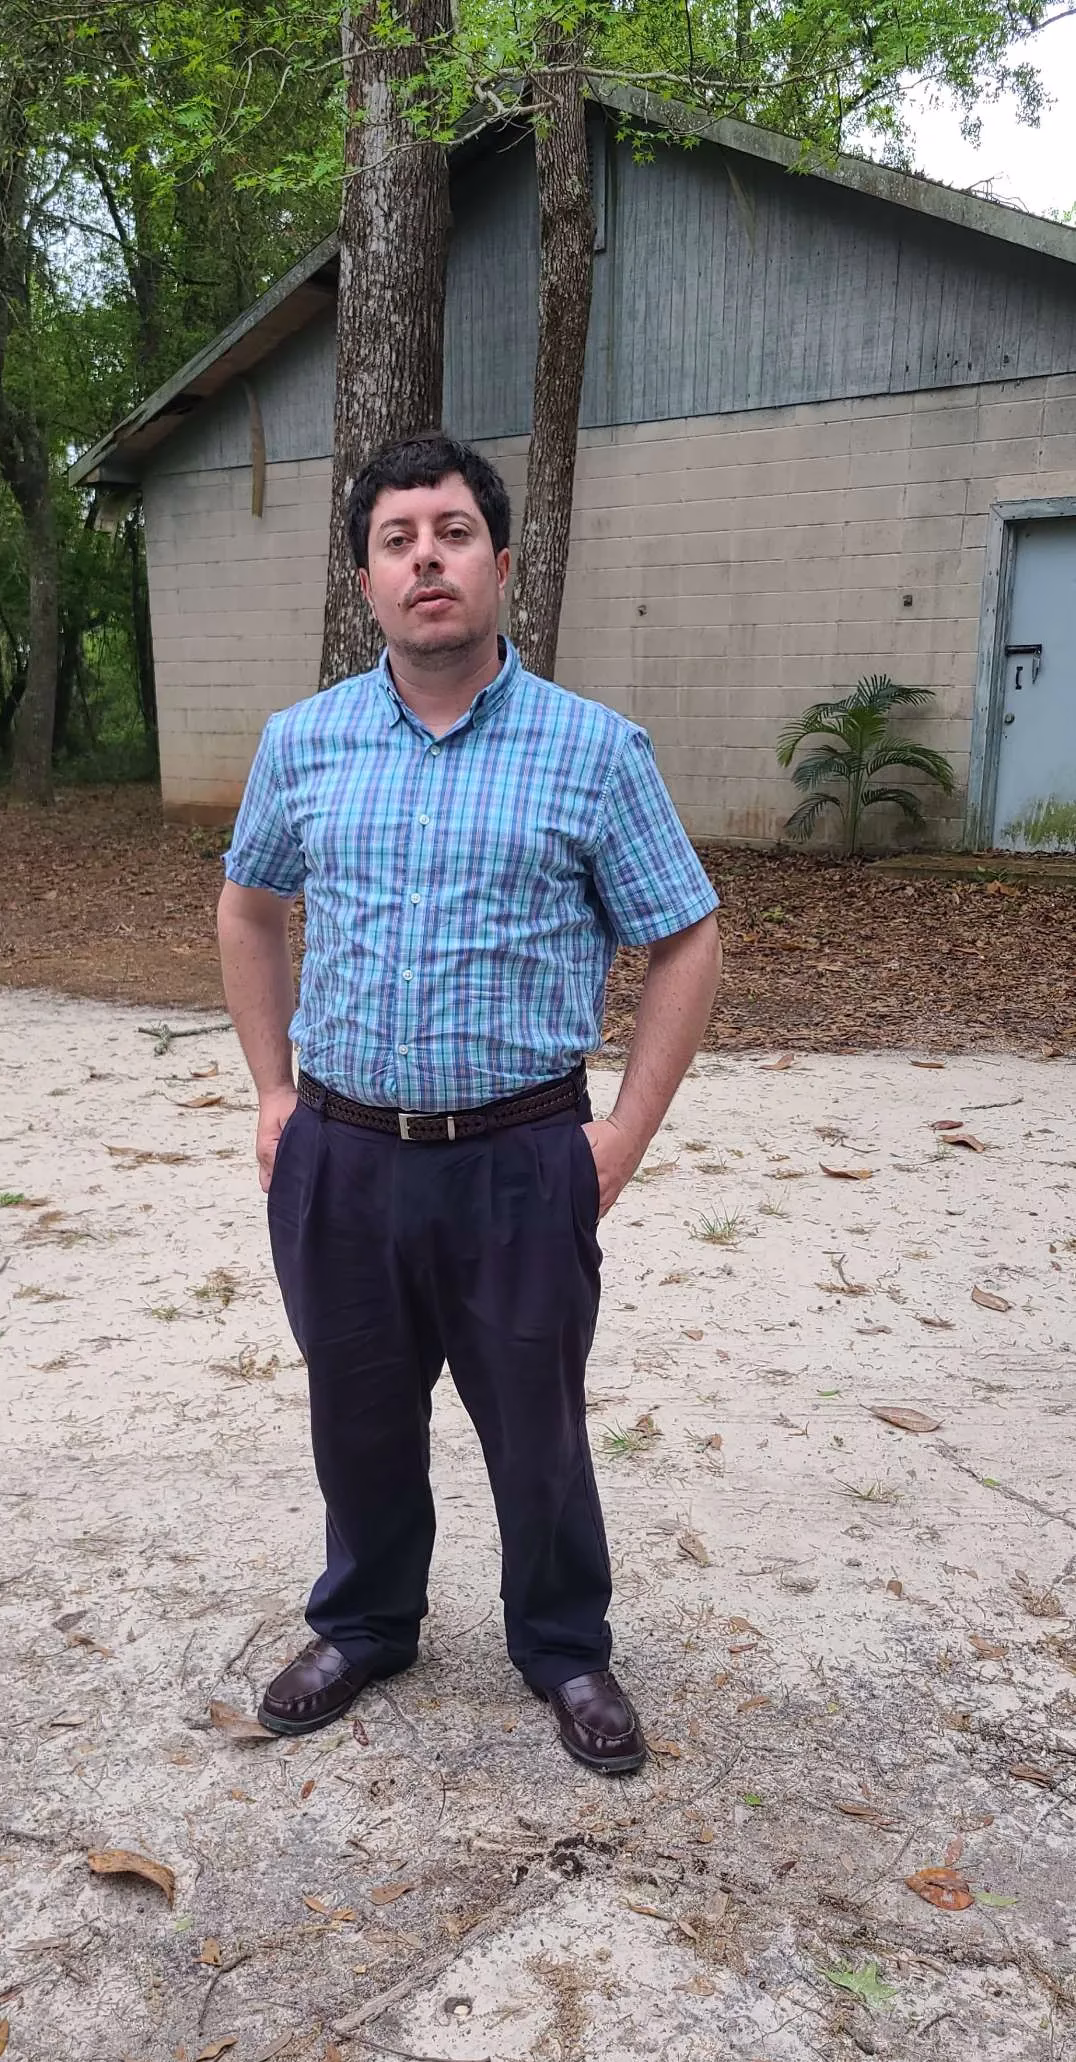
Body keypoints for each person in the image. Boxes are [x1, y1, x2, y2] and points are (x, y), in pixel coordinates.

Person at [216, 432, 721, 1775]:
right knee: (357, 1414)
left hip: (519, 1161)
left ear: (500, 562)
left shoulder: (594, 751)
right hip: (341, 1158)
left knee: (536, 1426)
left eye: (452, 533)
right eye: (398, 540)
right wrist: (272, 1091)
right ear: (367, 582)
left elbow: (688, 937)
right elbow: (248, 908)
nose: (426, 559)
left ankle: (563, 1646)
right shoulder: (303, 744)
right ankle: (366, 1624)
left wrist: (621, 1135)